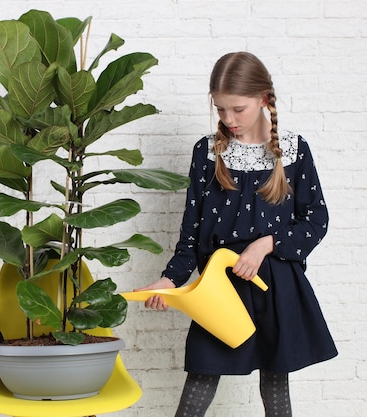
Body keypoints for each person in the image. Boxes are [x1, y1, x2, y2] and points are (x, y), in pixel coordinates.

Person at [135, 52, 337, 416]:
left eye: (237, 109)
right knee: (201, 376)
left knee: (276, 387)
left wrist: (267, 244)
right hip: (220, 287)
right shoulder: (208, 153)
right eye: (220, 110)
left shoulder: (294, 151)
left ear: (263, 99)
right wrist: (169, 280)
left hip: (276, 286)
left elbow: (316, 219)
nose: (228, 120)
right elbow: (192, 233)